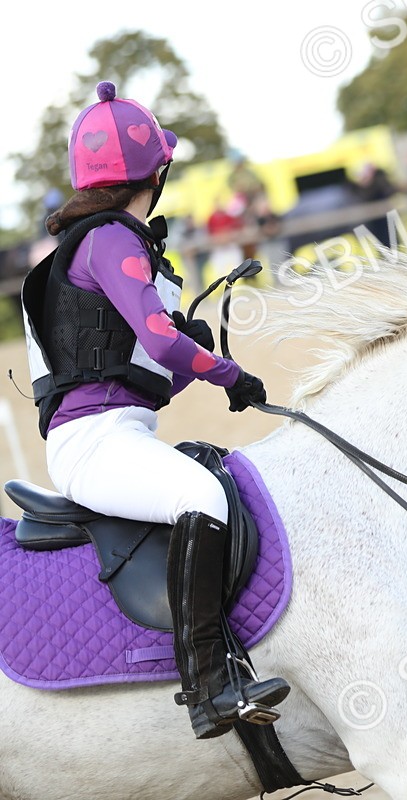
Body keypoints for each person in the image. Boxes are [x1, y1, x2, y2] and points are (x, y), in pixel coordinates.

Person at [27, 81, 289, 740]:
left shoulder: (107, 240)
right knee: (204, 497)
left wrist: (191, 357)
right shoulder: (111, 237)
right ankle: (208, 685)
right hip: (92, 443)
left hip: (115, 430)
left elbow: (148, 369)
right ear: (158, 171)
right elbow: (161, 341)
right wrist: (230, 372)